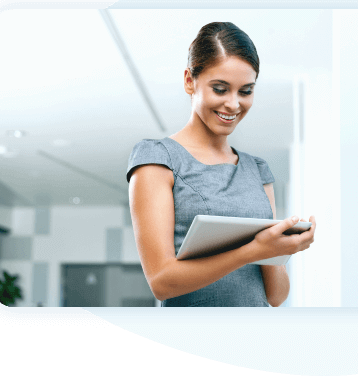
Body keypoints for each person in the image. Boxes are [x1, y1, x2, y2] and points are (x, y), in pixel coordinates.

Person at [127, 22, 315, 307]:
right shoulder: (157, 159)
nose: (233, 104)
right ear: (190, 80)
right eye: (220, 89)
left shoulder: (257, 169)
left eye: (245, 91)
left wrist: (278, 250)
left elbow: (276, 296)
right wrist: (253, 251)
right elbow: (162, 282)